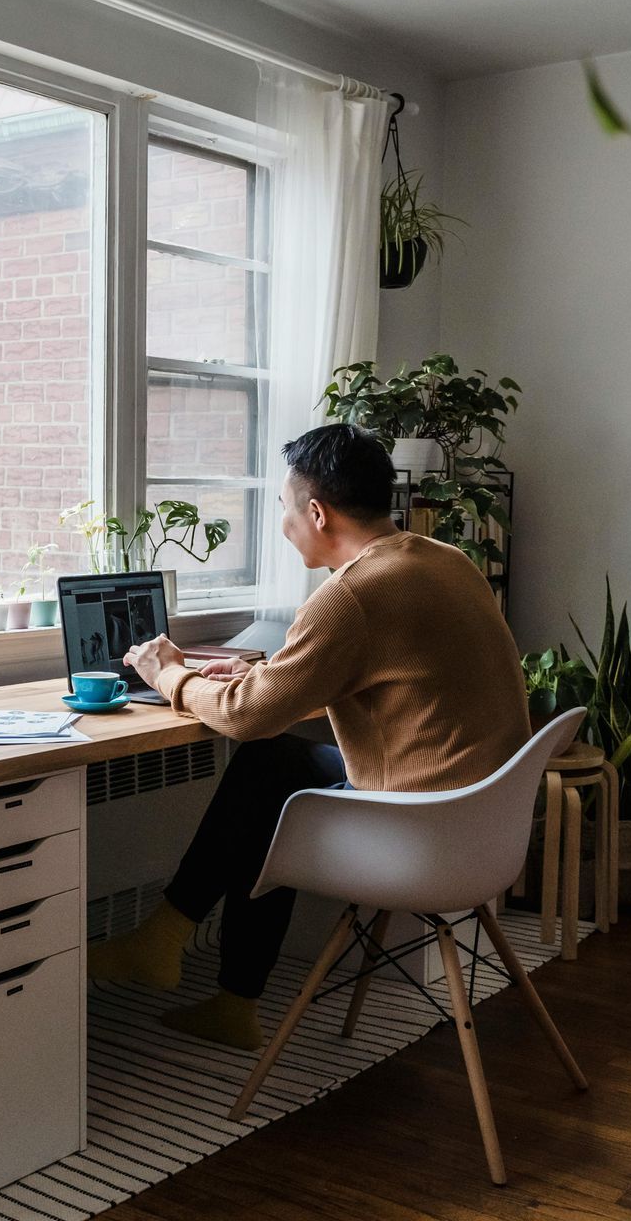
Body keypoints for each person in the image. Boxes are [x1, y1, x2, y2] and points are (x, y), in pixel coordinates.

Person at [88, 423, 530, 1050]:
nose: (284, 521)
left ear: (317, 512)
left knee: (267, 769)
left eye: (283, 507)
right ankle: (205, 974)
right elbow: (386, 684)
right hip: (482, 824)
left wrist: (169, 675)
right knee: (277, 769)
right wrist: (259, 674)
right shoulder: (445, 561)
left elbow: (248, 717)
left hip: (420, 834)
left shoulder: (351, 594)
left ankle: (175, 947)